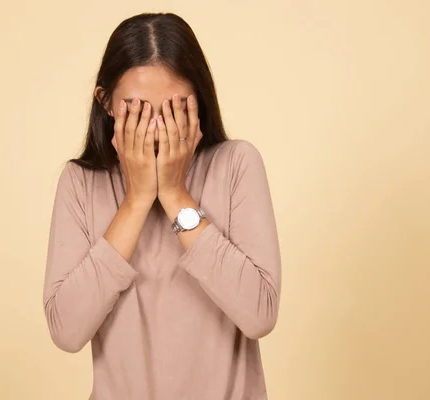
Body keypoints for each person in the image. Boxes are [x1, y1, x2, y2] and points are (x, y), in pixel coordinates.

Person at [43, 12, 281, 400]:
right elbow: (66, 331)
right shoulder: (80, 182)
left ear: (198, 101)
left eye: (173, 109)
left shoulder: (237, 164)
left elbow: (259, 314)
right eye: (136, 110)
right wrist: (136, 201)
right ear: (105, 102)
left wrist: (174, 194)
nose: (156, 129)